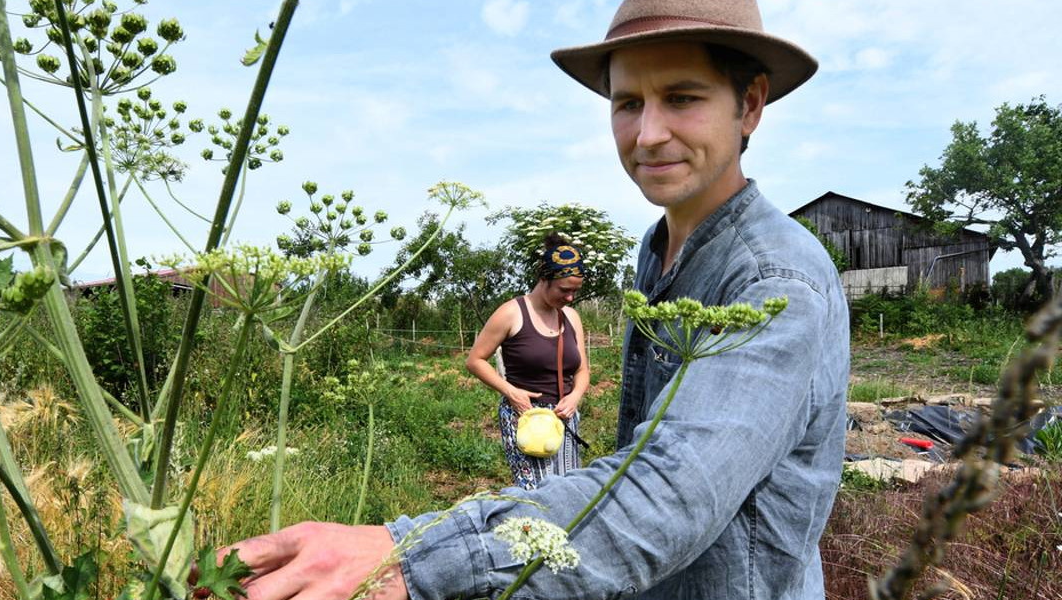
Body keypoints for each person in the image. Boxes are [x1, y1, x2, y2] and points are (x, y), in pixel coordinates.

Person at [218, 0, 849, 598]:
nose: (648, 133)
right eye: (627, 102)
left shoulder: (776, 280)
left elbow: (672, 494)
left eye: (681, 98)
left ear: (751, 105)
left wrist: (406, 558)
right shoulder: (657, 253)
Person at [466, 233, 590, 489]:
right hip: (525, 416)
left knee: (567, 491)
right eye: (564, 290)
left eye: (575, 291)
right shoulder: (511, 313)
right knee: (534, 495)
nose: (570, 298)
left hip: (564, 418)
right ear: (544, 279)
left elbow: (582, 370)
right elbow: (475, 360)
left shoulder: (571, 317)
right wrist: (511, 392)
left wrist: (575, 396)